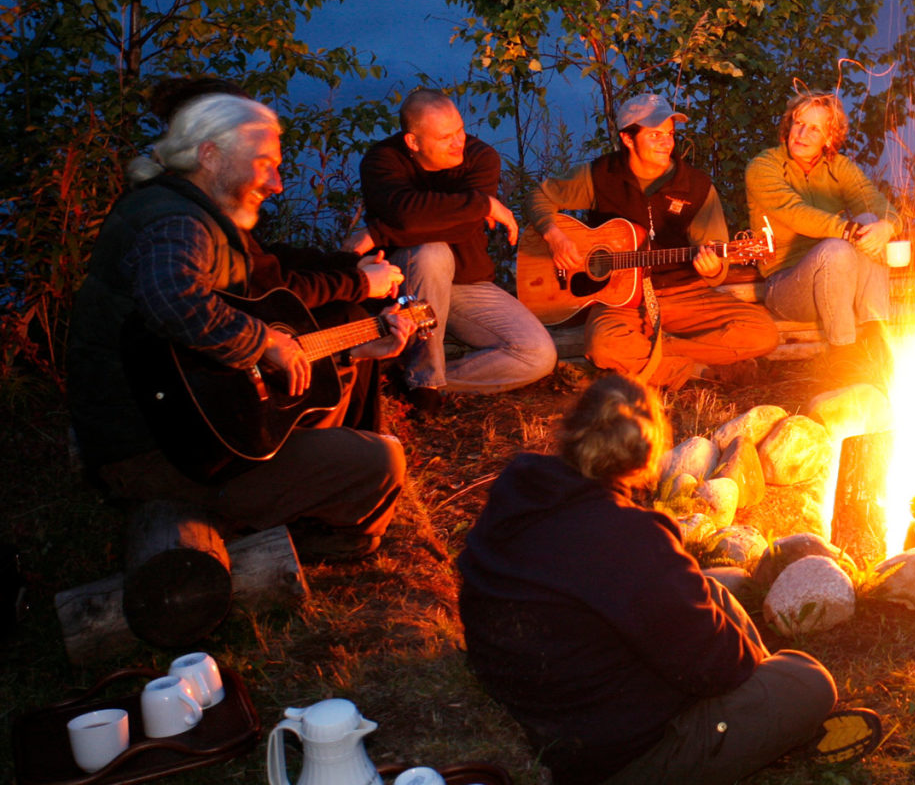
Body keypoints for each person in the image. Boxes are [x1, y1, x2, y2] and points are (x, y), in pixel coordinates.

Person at [458, 375, 882, 785]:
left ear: (572, 429)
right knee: (807, 681)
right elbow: (722, 669)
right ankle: (770, 717)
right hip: (612, 760)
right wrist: (745, 665)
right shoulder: (632, 537)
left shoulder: (521, 482)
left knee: (718, 585)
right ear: (647, 455)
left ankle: (760, 707)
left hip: (543, 690)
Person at [67, 93, 414, 561]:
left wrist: (360, 350)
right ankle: (299, 534)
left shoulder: (197, 212)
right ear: (209, 155)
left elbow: (232, 330)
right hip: (159, 451)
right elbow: (173, 299)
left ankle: (291, 505)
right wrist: (264, 341)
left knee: (334, 395)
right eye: (264, 164)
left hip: (191, 428)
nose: (276, 183)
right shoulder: (175, 220)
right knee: (381, 461)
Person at [529, 94, 778, 389]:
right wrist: (554, 235)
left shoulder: (696, 186)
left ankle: (650, 356)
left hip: (684, 295)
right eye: (655, 135)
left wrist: (711, 269)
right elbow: (539, 196)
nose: (667, 143)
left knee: (763, 333)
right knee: (604, 346)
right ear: (627, 138)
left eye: (670, 134)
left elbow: (717, 266)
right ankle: (699, 369)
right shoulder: (599, 175)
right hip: (618, 300)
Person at [357, 89, 555, 411]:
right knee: (432, 253)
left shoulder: (481, 157)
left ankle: (413, 379)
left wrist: (379, 231)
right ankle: (425, 386)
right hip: (404, 280)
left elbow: (462, 228)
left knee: (538, 354)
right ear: (413, 142)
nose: (459, 141)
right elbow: (406, 215)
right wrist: (484, 204)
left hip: (467, 281)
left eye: (460, 130)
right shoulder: (382, 161)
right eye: (446, 136)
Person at [745, 90, 897, 380]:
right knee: (838, 248)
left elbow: (877, 203)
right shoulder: (763, 167)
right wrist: (848, 231)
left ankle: (878, 339)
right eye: (798, 122)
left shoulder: (840, 167)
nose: (801, 133)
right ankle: (843, 357)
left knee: (869, 220)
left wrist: (887, 225)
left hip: (840, 281)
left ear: (830, 136)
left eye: (814, 128)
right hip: (787, 287)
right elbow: (796, 213)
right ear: (788, 125)